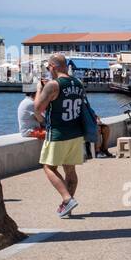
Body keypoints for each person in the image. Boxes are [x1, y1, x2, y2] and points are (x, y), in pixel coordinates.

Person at [35, 54, 87, 217]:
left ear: (53, 67)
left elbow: (37, 108)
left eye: (48, 68)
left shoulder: (53, 85)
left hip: (58, 133)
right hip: (76, 132)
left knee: (48, 167)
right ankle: (67, 206)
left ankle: (67, 199)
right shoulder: (78, 83)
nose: (48, 71)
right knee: (70, 170)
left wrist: (39, 90)